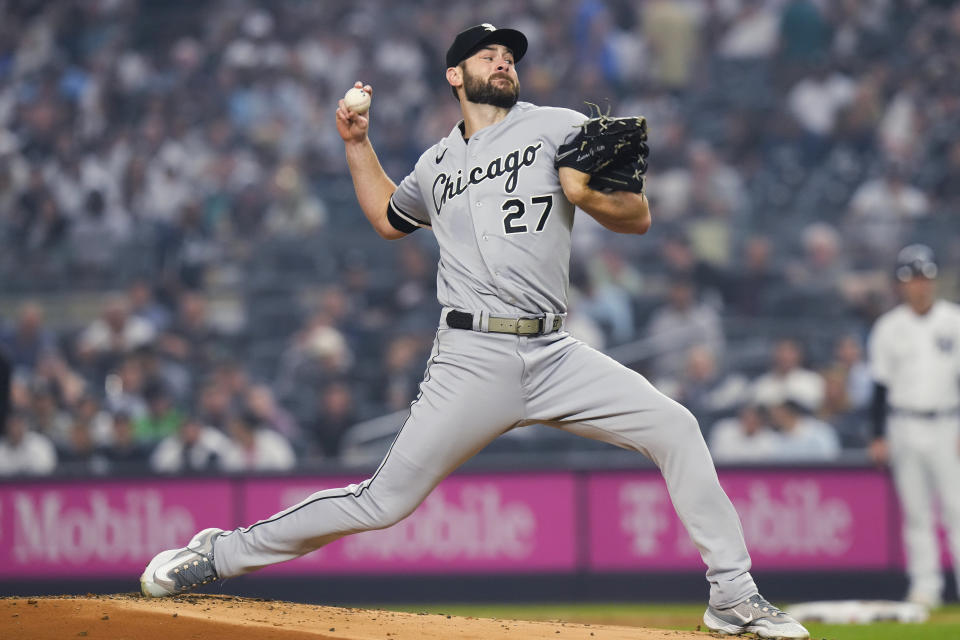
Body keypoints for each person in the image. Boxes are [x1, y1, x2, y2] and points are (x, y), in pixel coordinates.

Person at [140, 24, 808, 639]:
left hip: (553, 351)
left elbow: (636, 217)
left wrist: (589, 195)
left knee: (676, 427)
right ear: (455, 75)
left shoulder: (558, 126)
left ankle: (733, 595)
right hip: (472, 355)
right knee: (380, 503)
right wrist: (356, 145)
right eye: (487, 54)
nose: (503, 60)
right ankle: (217, 554)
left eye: (509, 54)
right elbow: (387, 217)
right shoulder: (435, 165)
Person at [867, 244, 960, 608]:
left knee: (957, 508)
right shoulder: (889, 327)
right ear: (901, 285)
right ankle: (926, 587)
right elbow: (879, 387)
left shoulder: (954, 320)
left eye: (924, 277)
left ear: (934, 281)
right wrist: (876, 435)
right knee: (917, 512)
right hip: (903, 423)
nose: (919, 286)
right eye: (912, 279)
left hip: (948, 422)